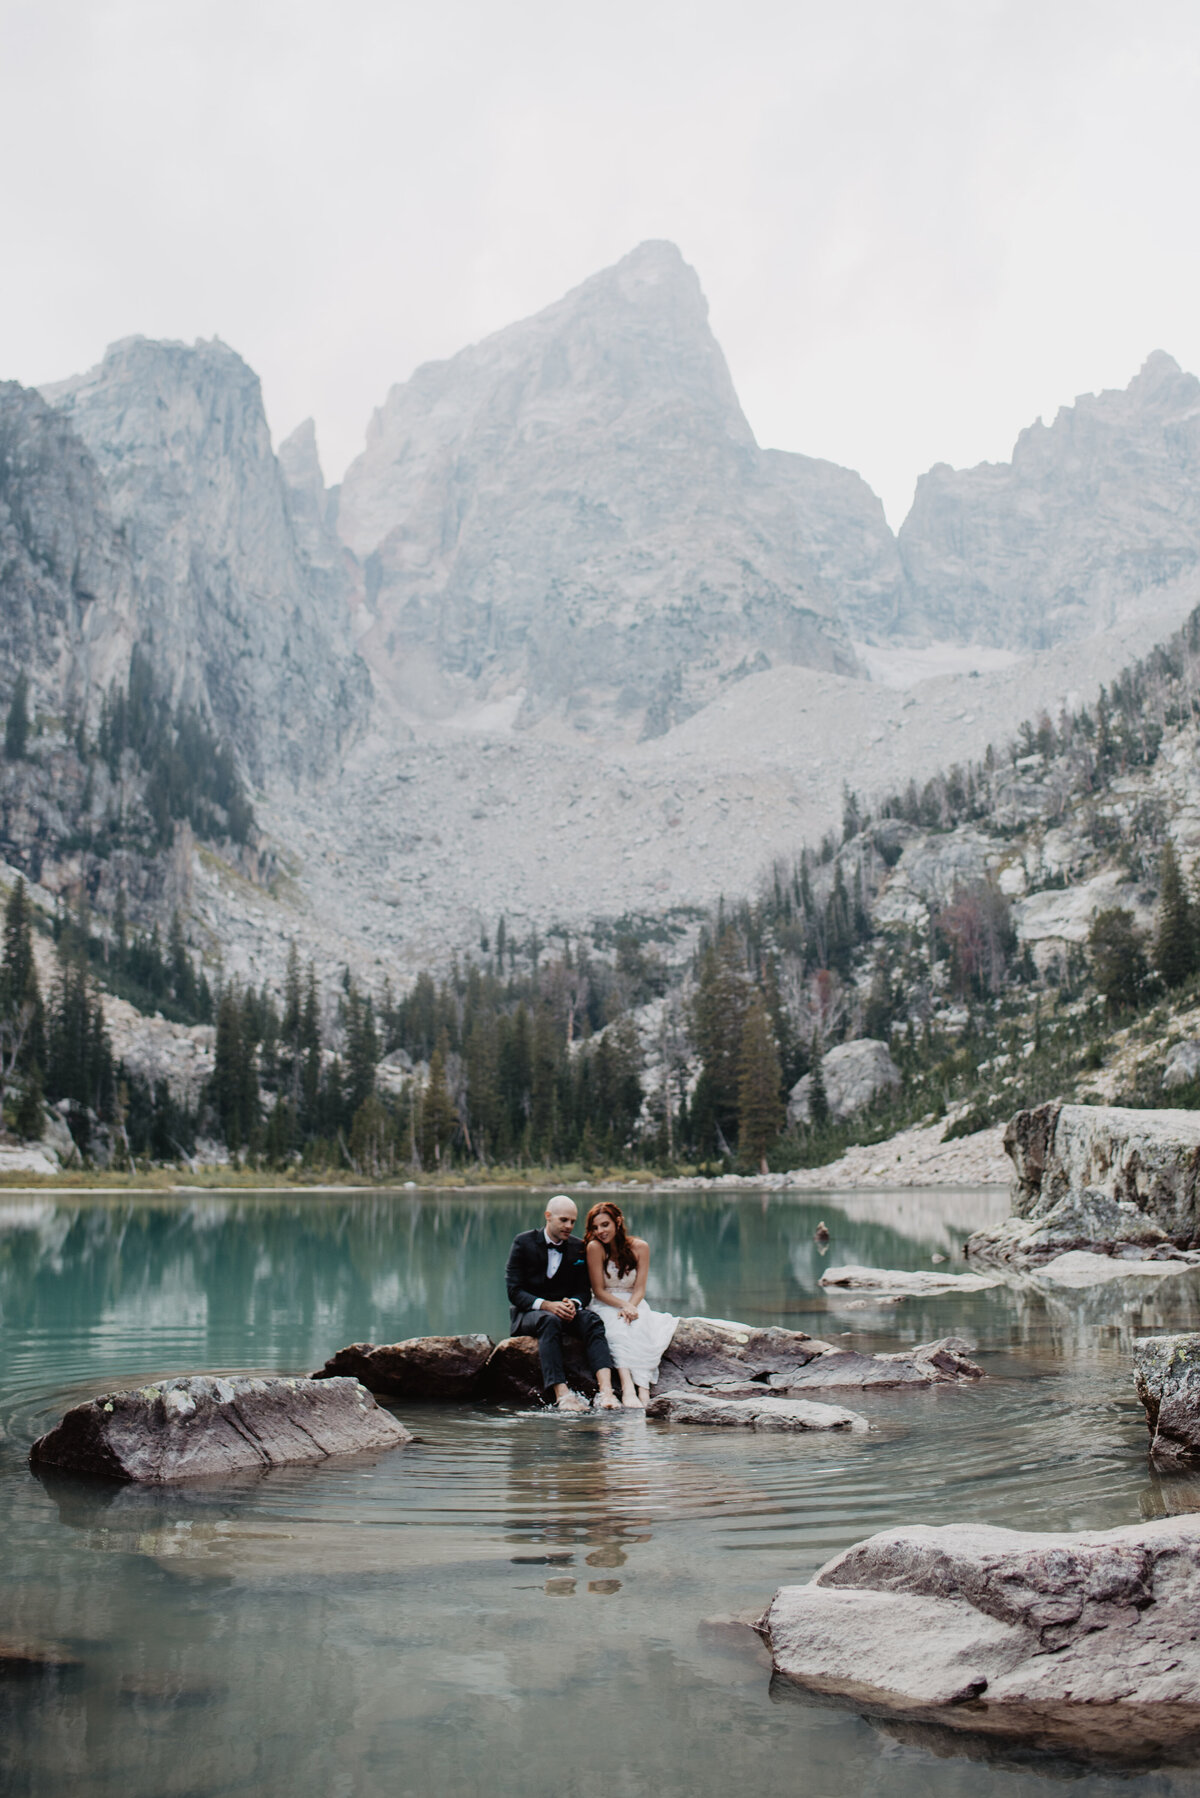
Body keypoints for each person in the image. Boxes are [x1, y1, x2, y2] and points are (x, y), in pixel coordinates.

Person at [506, 1195, 622, 1411]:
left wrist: (574, 1303)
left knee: (592, 1320)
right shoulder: (523, 1242)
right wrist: (547, 1305)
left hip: (565, 1312)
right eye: (564, 1220)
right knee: (549, 1321)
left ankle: (607, 1392)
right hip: (530, 1314)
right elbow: (514, 1291)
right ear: (548, 1217)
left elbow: (583, 1291)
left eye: (573, 1221)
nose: (569, 1226)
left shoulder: (579, 1247)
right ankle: (563, 1395)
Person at [584, 1202, 678, 1408]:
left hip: (634, 1301)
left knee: (643, 1327)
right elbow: (598, 1290)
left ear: (618, 1222)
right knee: (617, 1328)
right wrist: (622, 1306)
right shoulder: (595, 1248)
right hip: (605, 1302)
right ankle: (627, 1388)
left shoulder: (640, 1247)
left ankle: (643, 1389)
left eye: (605, 1225)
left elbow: (640, 1289)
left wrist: (632, 1306)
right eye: (595, 1227)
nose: (600, 1231)